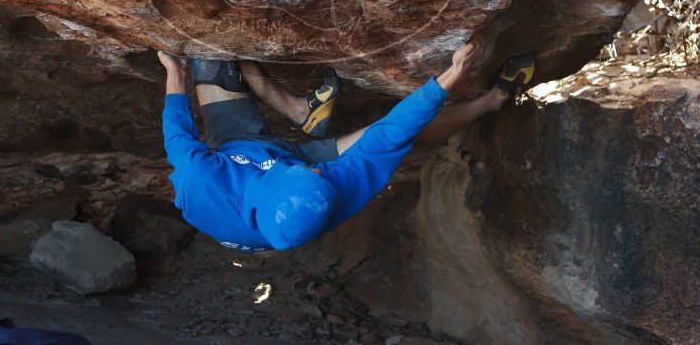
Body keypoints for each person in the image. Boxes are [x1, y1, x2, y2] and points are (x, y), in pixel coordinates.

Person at [158, 42, 533, 252]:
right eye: (319, 176)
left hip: (234, 148)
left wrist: (174, 70)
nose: (321, 170)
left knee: (209, 54)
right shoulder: (331, 195)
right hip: (279, 176)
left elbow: (177, 128)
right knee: (398, 138)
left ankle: (303, 111)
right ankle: (491, 101)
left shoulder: (200, 177)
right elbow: (388, 135)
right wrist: (449, 77)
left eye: (313, 173)